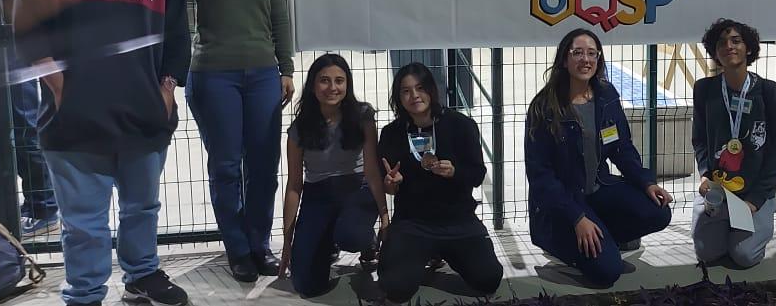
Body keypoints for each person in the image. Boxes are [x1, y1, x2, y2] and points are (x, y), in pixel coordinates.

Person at [13, 0, 191, 306]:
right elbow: (27, 32)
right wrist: (60, 88)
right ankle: (86, 293)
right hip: (75, 117)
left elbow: (177, 31)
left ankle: (142, 275)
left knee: (142, 208)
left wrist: (167, 89)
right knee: (84, 223)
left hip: (143, 112)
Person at [175, 0, 295, 281]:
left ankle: (259, 244)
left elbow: (280, 18)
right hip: (213, 76)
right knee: (226, 167)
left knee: (263, 166)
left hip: (262, 76)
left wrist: (286, 68)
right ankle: (238, 249)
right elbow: (164, 8)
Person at [525, 28, 673, 286]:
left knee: (658, 212)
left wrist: (646, 182)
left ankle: (602, 240)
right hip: (564, 202)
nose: (586, 59)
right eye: (578, 53)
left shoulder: (606, 96)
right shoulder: (544, 107)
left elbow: (622, 147)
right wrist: (577, 218)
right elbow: (541, 177)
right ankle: (567, 243)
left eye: (592, 53)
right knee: (607, 274)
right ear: (564, 59)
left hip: (599, 189)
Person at [377, 62, 503, 303]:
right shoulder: (392, 133)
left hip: (458, 221)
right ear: (398, 98)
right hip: (413, 223)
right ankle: (421, 255)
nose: (414, 96)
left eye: (420, 88)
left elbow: (477, 175)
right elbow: (389, 185)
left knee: (488, 279)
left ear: (432, 90)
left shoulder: (461, 125)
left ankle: (444, 253)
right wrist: (392, 183)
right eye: (406, 91)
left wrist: (455, 172)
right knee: (395, 287)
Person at [278, 54, 388, 297]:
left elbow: (372, 171)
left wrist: (384, 216)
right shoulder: (299, 129)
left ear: (347, 84)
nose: (332, 87)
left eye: (339, 80)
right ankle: (326, 239)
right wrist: (288, 241)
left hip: (357, 188)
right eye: (324, 80)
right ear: (313, 85)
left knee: (351, 236)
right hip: (318, 195)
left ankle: (365, 239)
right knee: (305, 284)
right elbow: (294, 185)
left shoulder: (363, 117)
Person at [690, 19, 776, 268]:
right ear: (715, 52)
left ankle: (768, 205)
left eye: (736, 41)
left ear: (749, 48)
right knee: (707, 254)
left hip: (755, 189)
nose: (729, 46)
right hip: (719, 189)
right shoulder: (704, 89)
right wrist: (705, 175)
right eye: (722, 43)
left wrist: (756, 199)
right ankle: (726, 222)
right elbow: (700, 139)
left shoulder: (770, 93)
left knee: (744, 256)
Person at [0, 0, 58, 236]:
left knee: (24, 126)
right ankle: (34, 204)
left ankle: (43, 206)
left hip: (16, 48)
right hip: (0, 48)